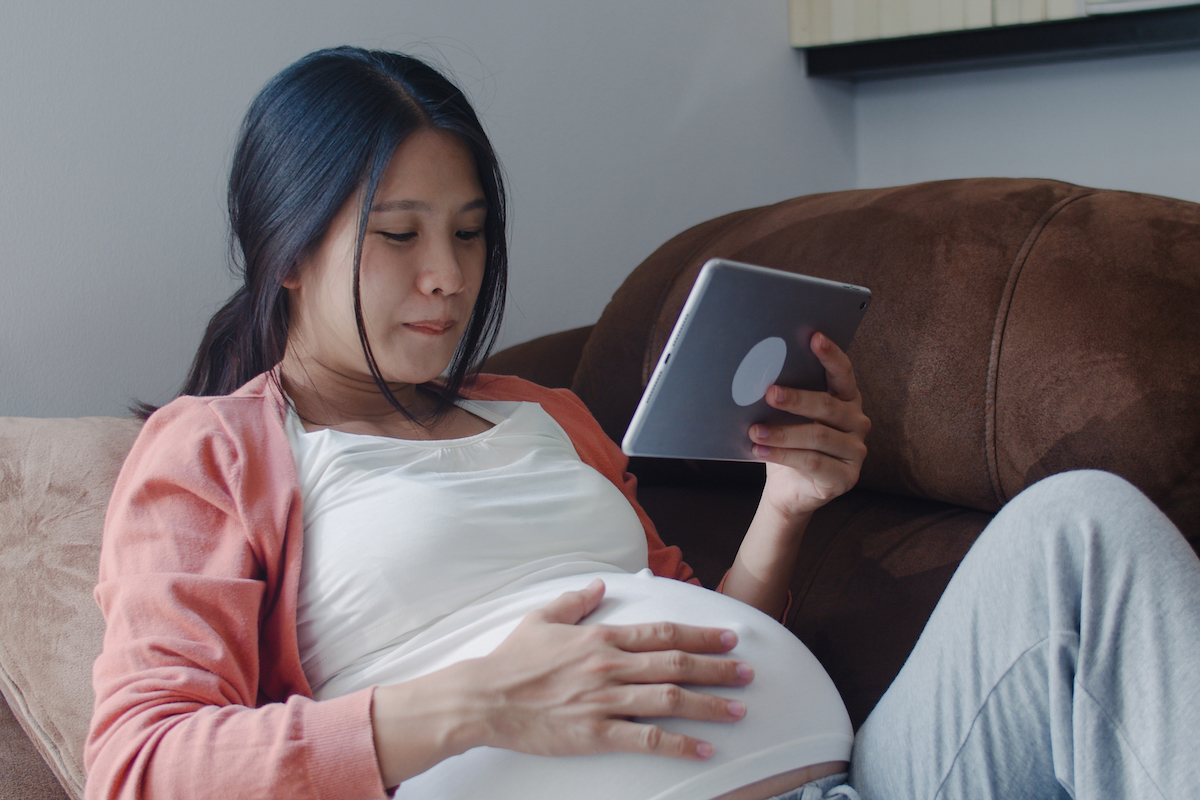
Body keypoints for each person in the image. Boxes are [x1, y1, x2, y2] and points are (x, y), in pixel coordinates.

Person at [84, 47, 1200, 800]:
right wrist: (475, 701)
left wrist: (786, 512)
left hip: (841, 779)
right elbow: (138, 764)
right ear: (287, 250)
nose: (447, 279)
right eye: (399, 235)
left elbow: (702, 647)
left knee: (1085, 528)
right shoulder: (216, 449)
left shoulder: (546, 417)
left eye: (470, 234)